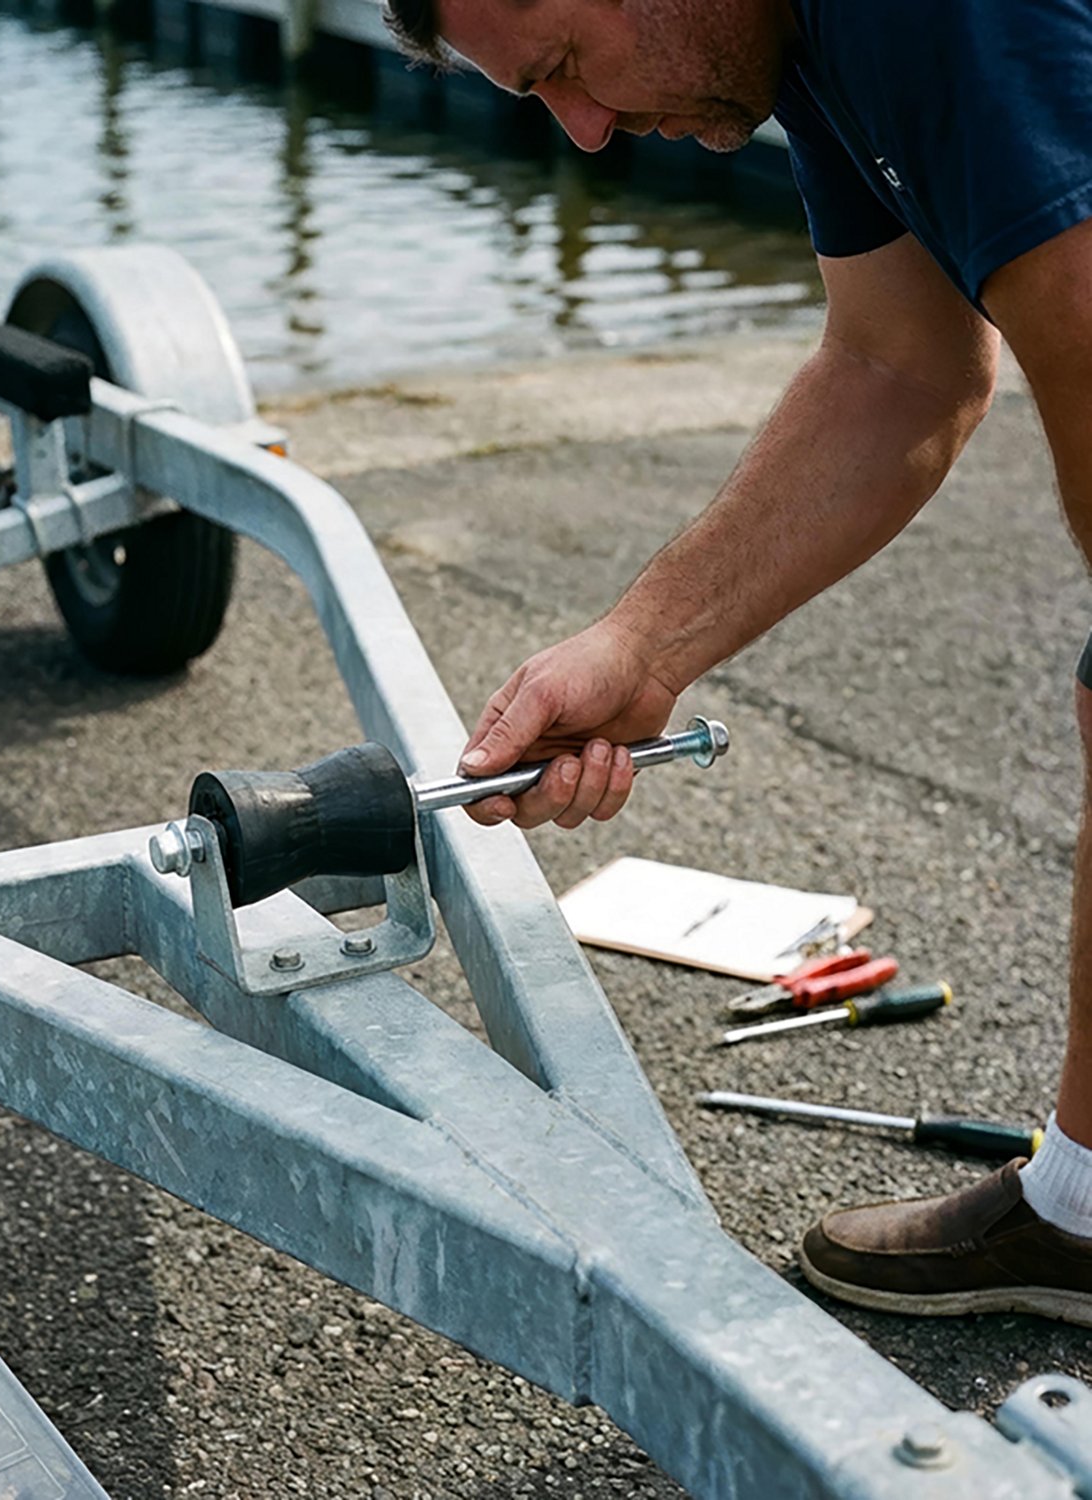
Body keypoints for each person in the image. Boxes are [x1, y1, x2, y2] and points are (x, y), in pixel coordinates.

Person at [380, 0, 1092, 1324]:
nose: (586, 134)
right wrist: (640, 647)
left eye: (568, 68)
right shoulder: (789, 39)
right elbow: (902, 368)